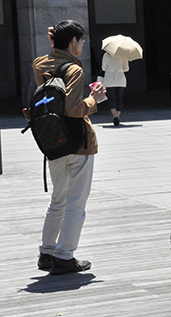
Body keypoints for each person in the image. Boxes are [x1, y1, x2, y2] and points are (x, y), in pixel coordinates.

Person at [34, 20, 106, 275]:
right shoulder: (74, 70)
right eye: (81, 41)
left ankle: (46, 252)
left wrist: (55, 45)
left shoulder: (40, 64)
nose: (82, 46)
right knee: (76, 203)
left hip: (53, 141)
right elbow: (74, 109)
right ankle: (64, 257)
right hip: (78, 143)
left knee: (58, 200)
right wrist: (94, 99)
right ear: (73, 42)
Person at [101, 51, 129, 126]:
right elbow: (126, 68)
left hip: (109, 79)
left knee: (111, 98)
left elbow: (103, 68)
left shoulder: (106, 55)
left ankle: (115, 116)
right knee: (119, 98)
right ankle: (118, 116)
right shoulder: (123, 56)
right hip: (120, 79)